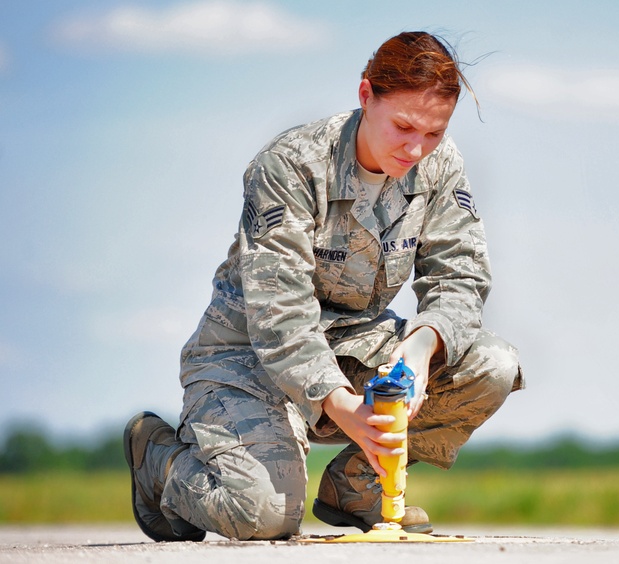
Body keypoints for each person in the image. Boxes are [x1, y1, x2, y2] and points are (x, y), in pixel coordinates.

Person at [124, 31, 523, 542]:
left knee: (492, 365)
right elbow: (280, 312)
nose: (416, 148)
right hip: (249, 355)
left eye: (434, 133)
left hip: (356, 343)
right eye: (403, 126)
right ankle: (160, 461)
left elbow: (460, 274)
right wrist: (341, 405)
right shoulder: (290, 165)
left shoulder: (439, 166)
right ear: (365, 97)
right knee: (264, 516)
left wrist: (424, 348)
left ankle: (356, 488)